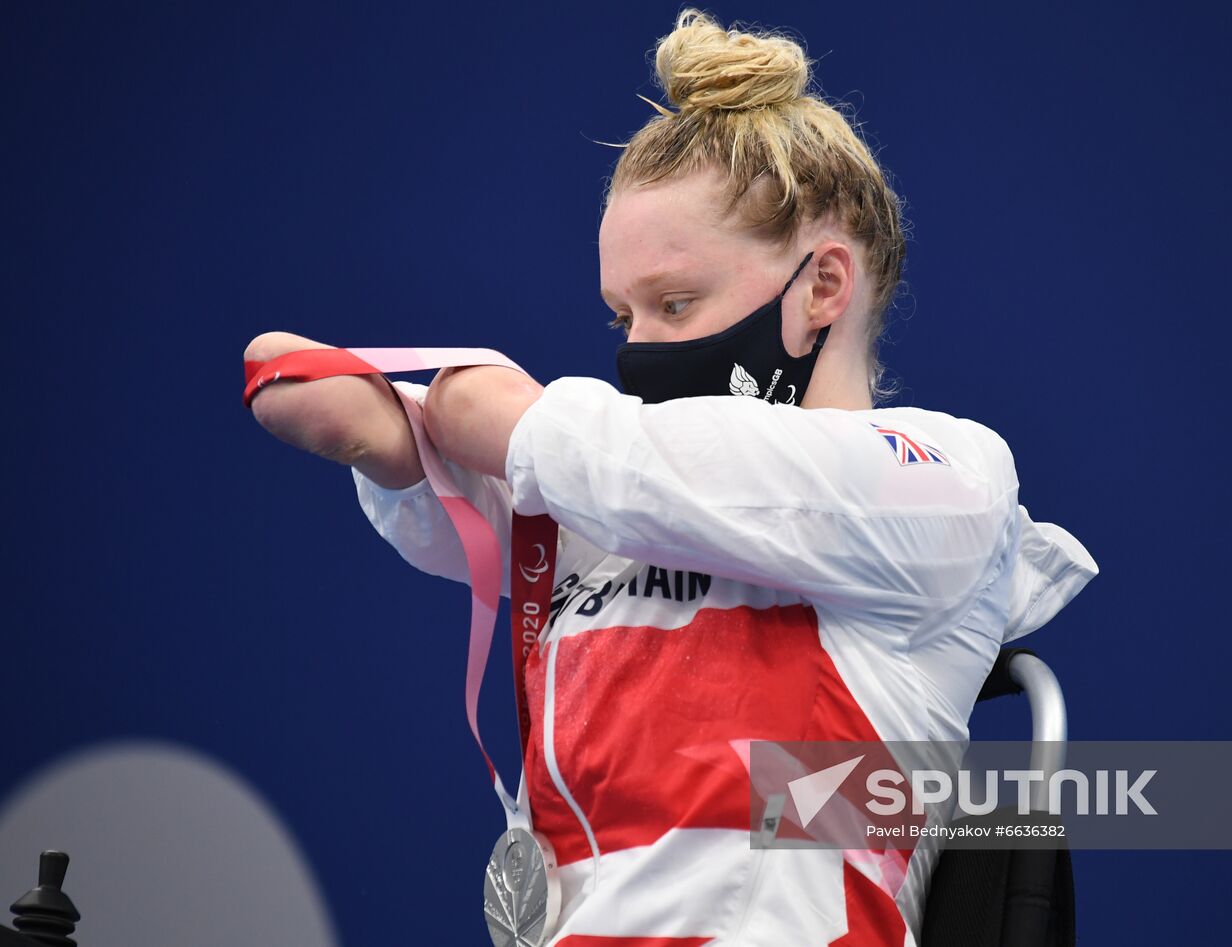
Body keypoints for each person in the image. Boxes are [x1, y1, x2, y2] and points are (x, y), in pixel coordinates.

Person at [245, 9, 1098, 944]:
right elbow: (294, 381)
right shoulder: (603, 498)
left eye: (677, 303)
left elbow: (680, 473)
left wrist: (506, 421)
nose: (640, 354)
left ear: (822, 289)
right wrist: (392, 441)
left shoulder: (949, 484)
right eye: (623, 318)